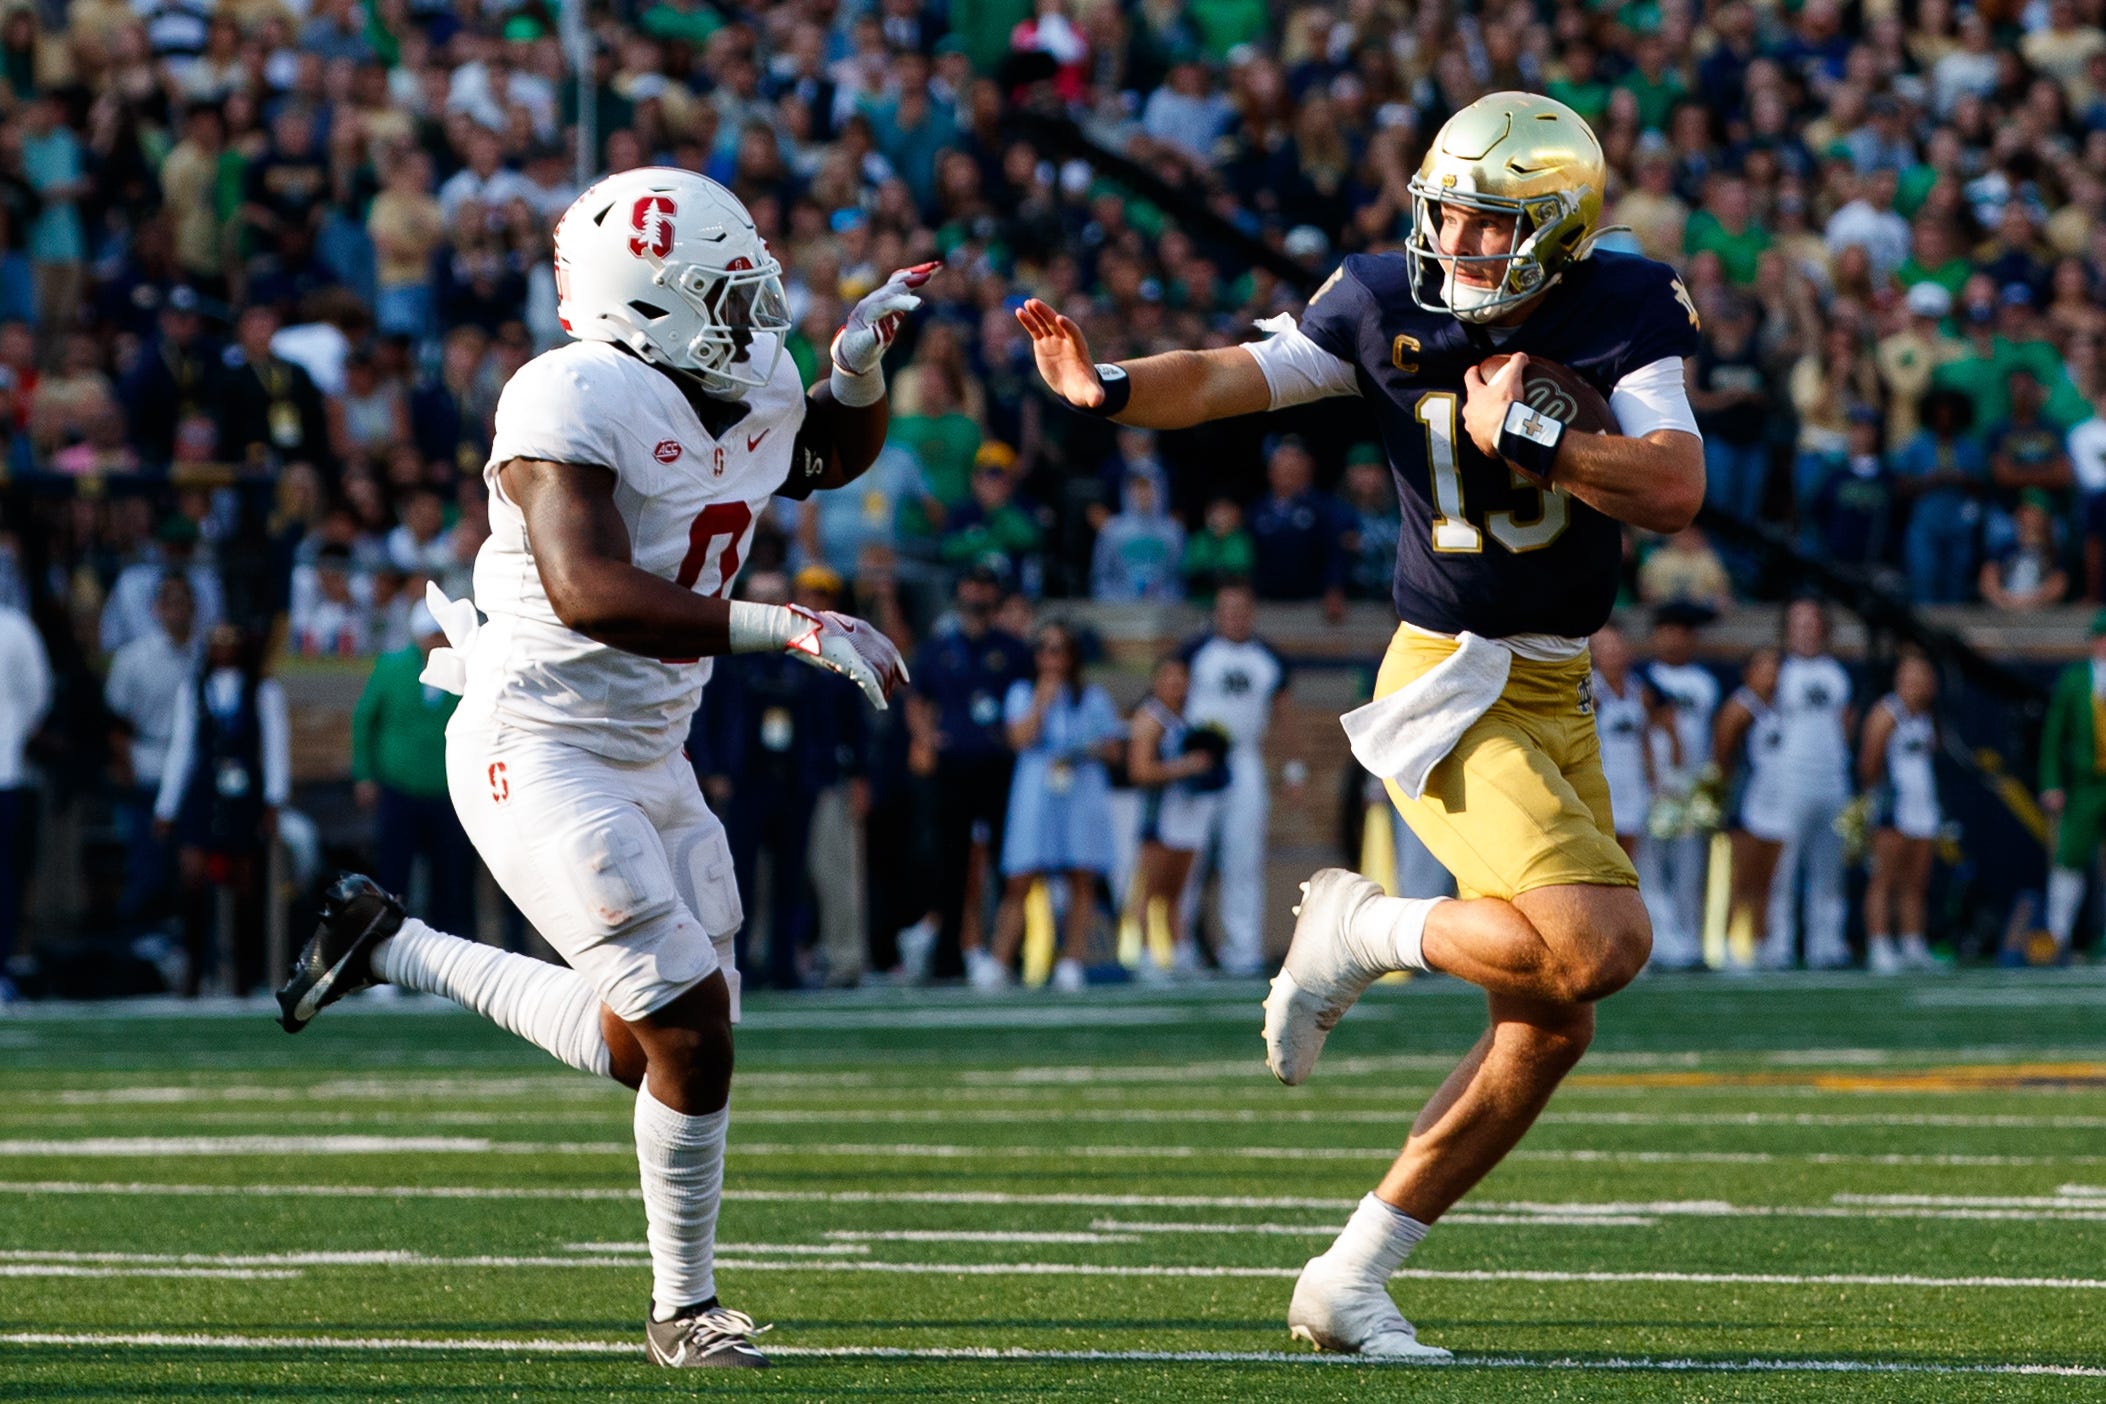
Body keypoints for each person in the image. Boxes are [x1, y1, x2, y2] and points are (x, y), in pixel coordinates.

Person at [1020, 92, 1705, 1357]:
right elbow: (1236, 375)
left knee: (1554, 1016)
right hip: (1449, 672)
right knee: (1599, 943)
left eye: (1488, 224)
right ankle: (1363, 925)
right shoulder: (1385, 298)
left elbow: (1674, 485)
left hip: (1559, 684)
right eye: (1443, 212)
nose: (1456, 242)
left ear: (1558, 232)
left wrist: (1543, 441)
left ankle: (1349, 1275)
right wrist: (1109, 385)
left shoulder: (1625, 301)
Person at [272, 169, 917, 1370]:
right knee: (690, 1028)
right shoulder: (568, 391)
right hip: (539, 736)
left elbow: (817, 454)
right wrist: (790, 624)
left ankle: (391, 946)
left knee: (653, 1044)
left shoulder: (754, 379)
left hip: (649, 743)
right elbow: (590, 588)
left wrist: (861, 370)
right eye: (724, 296)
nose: (754, 315)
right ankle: (683, 1310)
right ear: (644, 305)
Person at [975, 620, 1123, 992]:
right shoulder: (1024, 692)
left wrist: (1090, 748)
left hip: (1079, 786)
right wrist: (1043, 701)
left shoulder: (1092, 697)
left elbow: (1114, 748)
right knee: (1021, 877)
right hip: (1037, 787)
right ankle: (999, 960)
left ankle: (1072, 960)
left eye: (1059, 650)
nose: (1050, 658)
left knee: (1081, 876)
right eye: (1044, 649)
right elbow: (1020, 737)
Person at [906, 565, 1033, 980]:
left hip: (999, 766)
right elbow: (916, 698)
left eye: (985, 586)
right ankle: (949, 958)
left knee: (1008, 861)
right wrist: (926, 739)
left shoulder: (1013, 650)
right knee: (950, 863)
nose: (977, 593)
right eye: (972, 584)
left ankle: (1009, 953)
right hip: (954, 765)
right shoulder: (940, 647)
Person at [154, 622, 287, 997]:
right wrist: (167, 804)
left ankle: (244, 972)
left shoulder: (262, 690)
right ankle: (195, 967)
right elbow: (182, 746)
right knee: (192, 875)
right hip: (204, 789)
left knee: (244, 880)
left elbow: (275, 744)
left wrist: (274, 798)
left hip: (244, 790)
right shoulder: (193, 688)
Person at [1177, 580, 1291, 978]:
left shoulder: (1268, 658)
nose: (1235, 617)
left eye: (1242, 609)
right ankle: (1178, 947)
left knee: (1243, 859)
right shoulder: (1196, 653)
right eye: (1227, 609)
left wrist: (1287, 766)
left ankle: (1241, 951)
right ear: (1216, 613)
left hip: (1244, 760)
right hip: (1199, 760)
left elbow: (1282, 713)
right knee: (1188, 858)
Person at [351, 603, 473, 940]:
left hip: (449, 791)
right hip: (398, 787)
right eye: (431, 634)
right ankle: (388, 956)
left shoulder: (467, 670)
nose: (436, 641)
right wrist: (364, 774)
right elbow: (365, 720)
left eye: (441, 634)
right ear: (419, 637)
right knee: (393, 877)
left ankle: (448, 964)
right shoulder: (391, 667)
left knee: (450, 879)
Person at [1762, 600, 1856, 969]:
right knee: (1785, 865)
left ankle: (1826, 942)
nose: (1806, 630)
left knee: (1829, 868)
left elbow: (1844, 725)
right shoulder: (1778, 671)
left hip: (1831, 778)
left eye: (1812, 623)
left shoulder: (1837, 674)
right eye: (1798, 623)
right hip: (1791, 778)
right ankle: (1779, 942)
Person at [104, 574, 199, 930]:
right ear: (156, 609)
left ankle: (184, 946)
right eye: (169, 603)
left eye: (183, 602)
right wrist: (124, 767)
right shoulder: (133, 658)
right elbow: (116, 721)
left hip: (189, 771)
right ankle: (138, 943)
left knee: (189, 868)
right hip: (145, 766)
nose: (177, 610)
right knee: (146, 864)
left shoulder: (203, 654)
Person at [1124, 653, 1227, 979]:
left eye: (1180, 678)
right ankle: (1142, 953)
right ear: (1156, 682)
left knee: (1176, 891)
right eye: (1167, 678)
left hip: (1186, 813)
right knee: (1150, 888)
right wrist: (1185, 767)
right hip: (1160, 812)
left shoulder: (1187, 718)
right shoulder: (1149, 719)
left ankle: (1180, 950)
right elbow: (1139, 771)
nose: (1174, 684)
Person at [1639, 602, 1721, 969]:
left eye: (1682, 631)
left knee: (1691, 869)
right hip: (1653, 786)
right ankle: (1658, 942)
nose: (1674, 638)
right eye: (1667, 630)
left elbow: (1716, 733)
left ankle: (1690, 943)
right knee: (1650, 868)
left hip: (1692, 784)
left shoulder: (1706, 682)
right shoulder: (1642, 679)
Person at [1857, 649, 1941, 974]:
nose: (1915, 684)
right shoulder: (1886, 713)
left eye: (1921, 678)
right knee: (1884, 878)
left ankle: (1912, 943)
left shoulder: (1926, 716)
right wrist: (1879, 803)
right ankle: (1879, 944)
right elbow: (1869, 763)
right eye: (1909, 677)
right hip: (1894, 807)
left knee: (1915, 881)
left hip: (1922, 808)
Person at [1709, 645, 1785, 972]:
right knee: (1741, 876)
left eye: (1774, 668)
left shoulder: (1782, 706)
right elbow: (1723, 753)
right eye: (1763, 668)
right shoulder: (1740, 708)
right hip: (1747, 798)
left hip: (1776, 798)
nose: (1770, 675)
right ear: (1748, 673)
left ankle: (1761, 943)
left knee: (1767, 878)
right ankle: (1725, 944)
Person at [2039, 611, 2106, 961]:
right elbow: (2054, 735)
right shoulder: (2075, 680)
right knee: (2070, 858)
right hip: (2085, 784)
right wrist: (2051, 782)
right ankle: (2058, 935)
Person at [0, 596, 47, 1002]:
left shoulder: (14, 627)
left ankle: (1, 966)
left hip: (5, 772)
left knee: (3, 875)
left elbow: (36, 697)